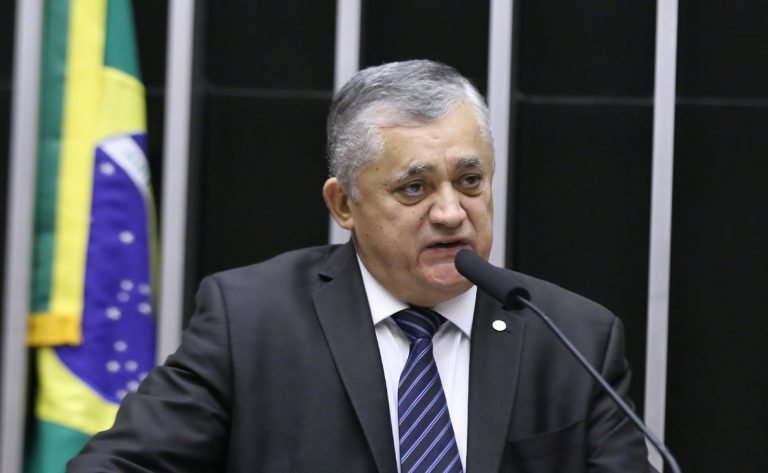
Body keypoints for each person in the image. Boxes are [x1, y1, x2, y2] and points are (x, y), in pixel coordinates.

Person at [69, 60, 654, 472]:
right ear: (344, 205)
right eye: (414, 188)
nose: (451, 212)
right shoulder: (252, 322)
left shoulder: (573, 337)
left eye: (470, 181)